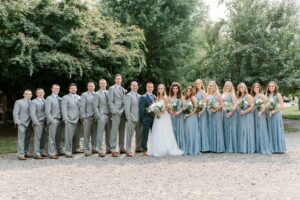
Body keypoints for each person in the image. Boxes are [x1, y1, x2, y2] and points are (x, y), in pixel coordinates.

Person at [148, 84, 183, 157]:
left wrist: (161, 112)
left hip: (164, 117)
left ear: (164, 89)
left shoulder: (166, 98)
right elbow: (155, 107)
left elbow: (167, 108)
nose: (160, 89)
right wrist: (156, 111)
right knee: (157, 131)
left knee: (164, 132)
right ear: (158, 89)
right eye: (159, 88)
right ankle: (157, 149)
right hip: (157, 117)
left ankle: (165, 149)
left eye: (162, 88)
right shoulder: (157, 98)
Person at [108, 74, 127, 157]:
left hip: (123, 112)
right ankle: (112, 148)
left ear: (121, 80)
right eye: (117, 79)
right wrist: (114, 111)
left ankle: (121, 147)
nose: (118, 80)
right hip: (116, 112)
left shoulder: (123, 89)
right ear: (115, 80)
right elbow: (110, 101)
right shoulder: (112, 88)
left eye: (120, 79)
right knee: (114, 131)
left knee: (122, 130)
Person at [251, 83, 272, 154]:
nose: (256, 88)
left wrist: (261, 111)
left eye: (257, 87)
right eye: (254, 87)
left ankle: (264, 147)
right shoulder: (254, 96)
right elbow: (253, 106)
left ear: (259, 88)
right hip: (255, 114)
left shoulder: (261, 95)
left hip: (261, 114)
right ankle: (258, 147)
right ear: (253, 89)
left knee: (261, 128)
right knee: (256, 129)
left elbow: (266, 104)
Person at [61, 83, 81, 158]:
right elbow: (64, 109)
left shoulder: (79, 97)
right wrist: (65, 119)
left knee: (77, 136)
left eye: (74, 88)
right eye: (71, 88)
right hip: (69, 119)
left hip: (78, 119)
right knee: (68, 136)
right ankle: (68, 151)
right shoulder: (65, 97)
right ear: (69, 89)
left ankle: (74, 149)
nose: (73, 89)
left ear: (76, 89)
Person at [266, 81, 286, 153]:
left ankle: (279, 148)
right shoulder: (267, 95)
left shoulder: (278, 95)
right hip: (269, 116)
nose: (271, 87)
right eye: (270, 86)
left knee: (277, 130)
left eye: (272, 86)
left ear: (275, 87)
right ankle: (272, 148)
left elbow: (282, 106)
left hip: (276, 115)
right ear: (268, 87)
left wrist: (273, 111)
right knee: (270, 130)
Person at [93, 79, 112, 157]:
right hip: (102, 115)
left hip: (109, 115)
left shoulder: (109, 93)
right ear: (99, 84)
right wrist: (99, 116)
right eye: (101, 83)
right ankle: (99, 149)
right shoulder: (97, 94)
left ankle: (109, 149)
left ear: (106, 84)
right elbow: (95, 106)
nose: (103, 85)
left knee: (109, 133)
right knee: (100, 133)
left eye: (104, 83)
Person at [13, 90, 33, 160]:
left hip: (30, 123)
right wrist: (17, 121)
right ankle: (20, 154)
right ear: (23, 94)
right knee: (21, 139)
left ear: (31, 95)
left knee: (28, 139)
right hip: (22, 123)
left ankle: (25, 152)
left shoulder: (32, 102)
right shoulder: (19, 102)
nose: (28, 95)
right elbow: (15, 112)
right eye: (26, 94)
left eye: (30, 94)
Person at [124, 81, 143, 157]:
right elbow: (127, 108)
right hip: (131, 119)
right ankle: (128, 150)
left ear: (137, 87)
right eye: (133, 85)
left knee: (139, 135)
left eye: (136, 86)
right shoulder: (128, 95)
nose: (135, 87)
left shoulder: (140, 96)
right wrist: (128, 118)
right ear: (131, 86)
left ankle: (138, 148)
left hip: (139, 119)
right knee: (129, 135)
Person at [237, 82, 255, 154]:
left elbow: (252, 106)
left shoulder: (248, 96)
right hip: (241, 116)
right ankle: (243, 147)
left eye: (243, 87)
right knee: (242, 131)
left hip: (247, 115)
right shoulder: (239, 97)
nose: (241, 88)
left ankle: (249, 148)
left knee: (247, 131)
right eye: (240, 87)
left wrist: (244, 112)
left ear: (245, 88)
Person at [45, 84, 63, 159]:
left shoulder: (60, 99)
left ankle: (58, 151)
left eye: (58, 89)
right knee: (52, 137)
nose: (56, 90)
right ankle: (51, 153)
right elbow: (47, 111)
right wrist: (51, 120)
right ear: (52, 89)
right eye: (55, 88)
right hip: (53, 120)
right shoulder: (49, 98)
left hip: (60, 120)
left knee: (58, 137)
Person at [80, 82, 97, 156]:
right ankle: (86, 149)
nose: (91, 87)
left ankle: (94, 148)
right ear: (87, 87)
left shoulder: (97, 94)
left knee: (94, 134)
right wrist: (84, 116)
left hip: (95, 117)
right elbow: (82, 107)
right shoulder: (84, 95)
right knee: (86, 134)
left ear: (94, 87)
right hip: (87, 117)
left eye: (92, 86)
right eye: (89, 86)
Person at [207, 81, 225, 153]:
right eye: (210, 86)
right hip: (210, 114)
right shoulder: (207, 95)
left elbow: (222, 104)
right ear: (208, 87)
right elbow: (206, 104)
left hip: (217, 113)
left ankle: (219, 148)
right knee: (211, 129)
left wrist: (216, 109)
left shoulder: (218, 94)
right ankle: (213, 147)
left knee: (217, 128)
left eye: (213, 86)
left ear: (215, 87)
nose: (211, 87)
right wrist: (210, 108)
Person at [30, 88, 47, 159]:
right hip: (38, 122)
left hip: (45, 122)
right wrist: (36, 122)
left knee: (43, 138)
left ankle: (41, 151)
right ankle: (36, 153)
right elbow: (32, 114)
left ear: (44, 93)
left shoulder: (46, 101)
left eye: (42, 92)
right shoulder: (33, 102)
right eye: (39, 92)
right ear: (36, 94)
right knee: (37, 138)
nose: (41, 94)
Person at [169, 82, 186, 153]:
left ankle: (181, 146)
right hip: (172, 116)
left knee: (180, 129)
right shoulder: (170, 97)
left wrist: (178, 112)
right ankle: (173, 147)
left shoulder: (181, 96)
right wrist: (171, 112)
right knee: (173, 130)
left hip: (180, 115)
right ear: (172, 89)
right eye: (174, 88)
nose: (175, 89)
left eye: (176, 88)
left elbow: (184, 107)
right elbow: (168, 107)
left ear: (178, 89)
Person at [183, 86, 200, 155]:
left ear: (191, 92)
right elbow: (184, 107)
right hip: (187, 117)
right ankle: (188, 148)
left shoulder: (193, 98)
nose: (188, 92)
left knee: (192, 132)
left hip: (192, 116)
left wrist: (190, 114)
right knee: (188, 132)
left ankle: (193, 149)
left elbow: (196, 108)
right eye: (187, 91)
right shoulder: (185, 98)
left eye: (190, 91)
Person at [139, 82, 155, 156]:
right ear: (146, 88)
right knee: (145, 134)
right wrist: (143, 119)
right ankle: (144, 149)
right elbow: (141, 109)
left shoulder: (155, 97)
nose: (150, 88)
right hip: (146, 118)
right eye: (148, 87)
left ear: (153, 88)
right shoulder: (143, 97)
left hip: (154, 119)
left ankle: (154, 148)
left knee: (154, 134)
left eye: (151, 87)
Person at [193, 79, 209, 152]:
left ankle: (205, 147)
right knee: (198, 128)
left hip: (202, 113)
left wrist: (201, 111)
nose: (198, 85)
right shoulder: (195, 92)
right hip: (197, 112)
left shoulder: (203, 92)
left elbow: (205, 103)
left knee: (203, 128)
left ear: (201, 84)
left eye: (199, 83)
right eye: (196, 84)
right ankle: (199, 146)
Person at [222, 81, 238, 153]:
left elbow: (235, 105)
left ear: (231, 87)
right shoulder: (223, 94)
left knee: (231, 129)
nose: (227, 87)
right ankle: (227, 146)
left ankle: (232, 147)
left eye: (229, 86)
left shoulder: (232, 94)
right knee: (226, 128)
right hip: (225, 113)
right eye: (226, 85)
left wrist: (231, 112)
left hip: (231, 113)